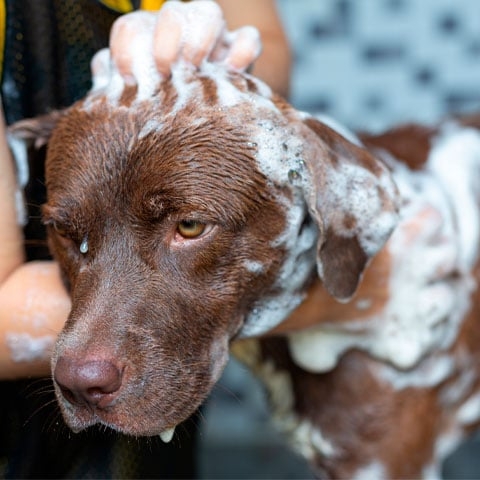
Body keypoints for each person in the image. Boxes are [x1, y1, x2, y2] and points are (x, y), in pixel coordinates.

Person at [0, 1, 291, 477]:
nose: (83, 367)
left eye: (189, 226)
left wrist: (225, 81)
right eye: (73, 236)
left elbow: (267, 42)